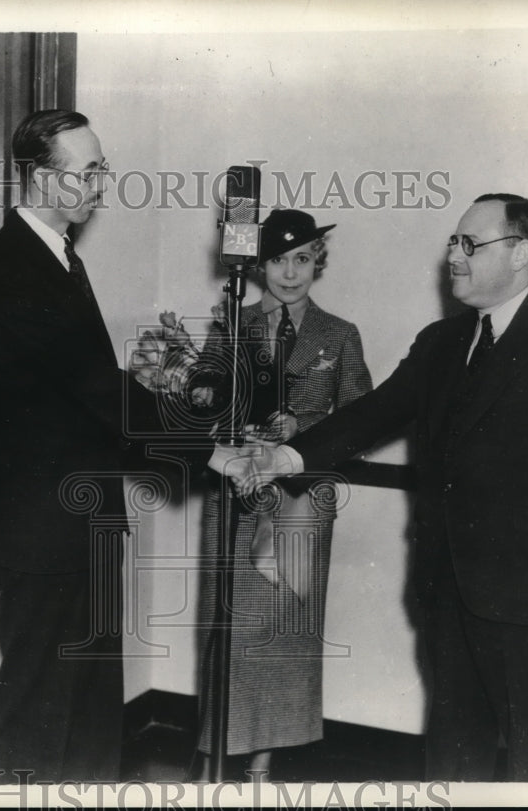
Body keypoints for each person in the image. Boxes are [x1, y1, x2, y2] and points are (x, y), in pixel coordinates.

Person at [215, 194, 528, 781]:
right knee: (453, 750)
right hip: (445, 586)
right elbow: (373, 413)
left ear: (520, 253)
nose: (453, 256)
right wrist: (285, 457)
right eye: (452, 243)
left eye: (470, 244)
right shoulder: (441, 341)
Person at [0, 109, 183, 783]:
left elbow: (73, 390)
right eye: (88, 173)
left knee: (88, 717)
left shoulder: (58, 257)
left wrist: (136, 387)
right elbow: (92, 389)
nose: (100, 186)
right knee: (39, 719)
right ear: (39, 178)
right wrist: (211, 450)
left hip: (81, 526)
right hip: (47, 535)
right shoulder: (12, 269)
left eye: (101, 170)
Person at [195, 209, 373, 780]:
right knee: (225, 630)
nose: (290, 273)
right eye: (277, 260)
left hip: (299, 505)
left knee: (280, 635)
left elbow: (360, 424)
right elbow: (202, 403)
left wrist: (302, 430)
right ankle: (212, 755)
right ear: (258, 265)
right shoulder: (232, 324)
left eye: (302, 259)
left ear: (318, 261)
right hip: (234, 494)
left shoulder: (339, 335)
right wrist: (204, 400)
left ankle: (261, 766)